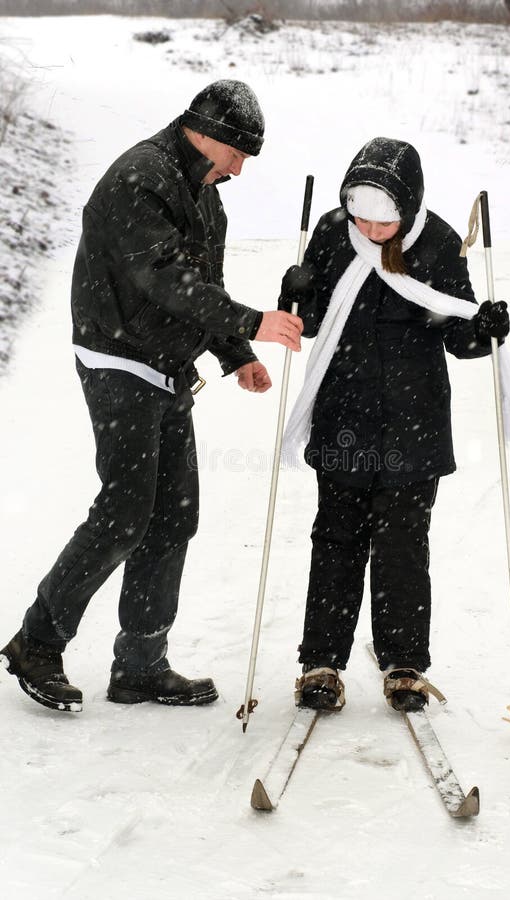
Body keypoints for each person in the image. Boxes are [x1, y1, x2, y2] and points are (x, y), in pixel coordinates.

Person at [0, 79, 303, 713]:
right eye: (238, 153)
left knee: (173, 517)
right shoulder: (140, 179)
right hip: (117, 361)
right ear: (209, 134)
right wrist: (251, 322)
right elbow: (163, 278)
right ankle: (36, 642)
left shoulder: (204, 191)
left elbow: (202, 283)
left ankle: (140, 664)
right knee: (124, 512)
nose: (240, 169)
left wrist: (235, 353)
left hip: (168, 369)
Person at [279, 138, 509, 713]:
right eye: (360, 215)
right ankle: (321, 662)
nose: (369, 228)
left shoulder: (437, 245)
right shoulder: (334, 234)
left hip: (414, 425)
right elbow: (308, 324)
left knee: (402, 545)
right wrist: (294, 294)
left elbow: (459, 337)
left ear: (408, 207)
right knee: (335, 540)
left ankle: (405, 664)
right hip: (343, 419)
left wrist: (488, 328)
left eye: (382, 219)